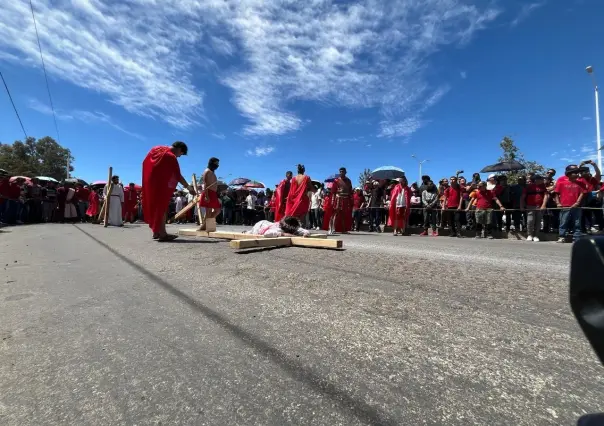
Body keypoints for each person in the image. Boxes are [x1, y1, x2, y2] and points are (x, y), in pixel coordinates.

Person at [142, 141, 196, 241]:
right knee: (161, 208)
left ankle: (156, 232)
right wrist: (188, 187)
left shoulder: (156, 149)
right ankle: (163, 234)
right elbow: (177, 175)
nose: (179, 156)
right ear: (180, 149)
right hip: (160, 184)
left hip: (150, 182)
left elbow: (145, 162)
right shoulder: (171, 157)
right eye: (181, 154)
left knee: (155, 207)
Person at [554, 165, 587, 243]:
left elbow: (582, 193)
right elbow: (556, 194)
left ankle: (577, 238)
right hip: (564, 206)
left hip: (577, 206)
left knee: (577, 223)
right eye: (575, 173)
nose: (577, 174)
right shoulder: (561, 183)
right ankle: (562, 237)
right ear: (569, 174)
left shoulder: (581, 183)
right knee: (563, 222)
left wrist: (577, 202)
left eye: (577, 172)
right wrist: (558, 203)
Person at [521, 175, 548, 242]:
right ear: (535, 180)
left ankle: (536, 235)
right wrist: (521, 206)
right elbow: (522, 197)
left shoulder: (543, 187)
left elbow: (546, 196)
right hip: (530, 206)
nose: (542, 180)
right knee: (530, 221)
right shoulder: (528, 187)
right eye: (540, 179)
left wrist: (544, 205)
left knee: (538, 222)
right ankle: (529, 235)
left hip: (540, 206)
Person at [199, 157, 221, 230]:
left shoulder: (212, 172)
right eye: (216, 163)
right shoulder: (207, 171)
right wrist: (206, 195)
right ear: (212, 163)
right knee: (209, 211)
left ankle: (204, 225)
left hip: (213, 193)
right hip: (209, 192)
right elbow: (205, 184)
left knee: (217, 210)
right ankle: (204, 226)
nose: (218, 165)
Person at [329, 167, 353, 234]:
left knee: (344, 215)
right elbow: (333, 191)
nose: (341, 172)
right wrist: (333, 200)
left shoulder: (348, 181)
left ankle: (344, 230)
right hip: (338, 199)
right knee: (335, 214)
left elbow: (350, 191)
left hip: (346, 199)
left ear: (345, 172)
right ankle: (332, 229)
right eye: (340, 171)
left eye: (343, 171)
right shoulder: (336, 180)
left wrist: (350, 200)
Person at [246, 216, 310, 238]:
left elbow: (303, 230)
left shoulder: (293, 227)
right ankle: (247, 232)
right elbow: (266, 234)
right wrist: (283, 234)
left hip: (266, 223)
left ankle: (248, 232)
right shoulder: (280, 230)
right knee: (251, 232)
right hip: (260, 226)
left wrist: (305, 233)